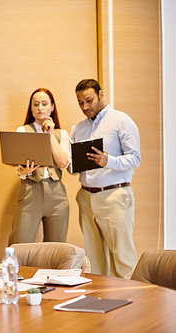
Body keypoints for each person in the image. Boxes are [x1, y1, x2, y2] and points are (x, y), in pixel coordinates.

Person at [71, 79, 141, 278]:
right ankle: (101, 302)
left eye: (89, 100)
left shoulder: (121, 121)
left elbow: (135, 158)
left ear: (101, 95)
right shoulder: (78, 129)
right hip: (85, 198)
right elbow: (74, 169)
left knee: (122, 258)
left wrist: (108, 161)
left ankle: (131, 305)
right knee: (94, 261)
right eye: (80, 102)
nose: (85, 107)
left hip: (114, 196)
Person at [8, 88, 71, 245]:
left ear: (52, 106)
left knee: (57, 248)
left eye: (44, 104)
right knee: (20, 244)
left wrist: (49, 135)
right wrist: (24, 171)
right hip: (30, 190)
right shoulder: (23, 131)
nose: (40, 108)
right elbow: (19, 164)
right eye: (36, 104)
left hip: (57, 194)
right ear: (31, 108)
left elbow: (63, 163)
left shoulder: (61, 134)